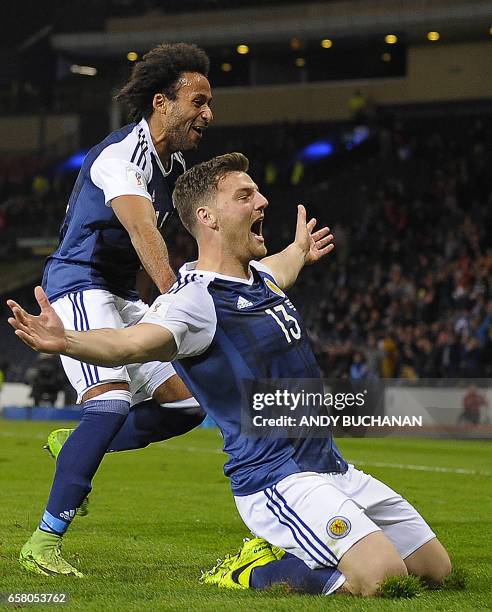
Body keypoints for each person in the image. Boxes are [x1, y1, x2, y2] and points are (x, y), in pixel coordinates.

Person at [8, 152, 451, 596]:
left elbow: (284, 266)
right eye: (246, 195)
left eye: (257, 192)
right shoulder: (192, 302)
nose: (262, 201)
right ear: (208, 218)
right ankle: (253, 572)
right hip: (277, 478)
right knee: (383, 579)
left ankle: (314, 546)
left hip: (331, 466)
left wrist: (299, 250)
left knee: (435, 571)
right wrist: (66, 341)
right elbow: (132, 343)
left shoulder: (261, 278)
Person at [15, 42, 213, 577]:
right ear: (161, 102)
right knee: (110, 403)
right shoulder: (122, 156)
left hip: (121, 294)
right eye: (198, 102)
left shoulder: (172, 164)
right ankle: (43, 542)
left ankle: (73, 447)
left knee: (185, 408)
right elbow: (141, 228)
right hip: (80, 285)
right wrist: (177, 300)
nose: (208, 114)